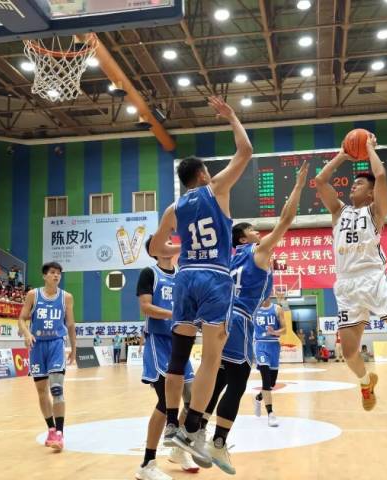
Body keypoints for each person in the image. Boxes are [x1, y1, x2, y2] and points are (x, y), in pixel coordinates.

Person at [149, 96, 252, 467]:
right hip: (214, 278)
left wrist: (177, 250)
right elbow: (245, 151)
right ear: (204, 175)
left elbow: (155, 247)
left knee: (179, 357)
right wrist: (232, 116)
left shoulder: (173, 208)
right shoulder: (216, 188)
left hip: (185, 278)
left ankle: (172, 424)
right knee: (211, 358)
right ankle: (193, 427)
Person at [201, 162, 308, 474]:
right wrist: (298, 186)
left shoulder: (229, 258)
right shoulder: (255, 252)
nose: (258, 233)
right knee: (237, 381)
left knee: (219, 379)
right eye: (252, 230)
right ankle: (218, 442)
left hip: (219, 318)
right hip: (239, 319)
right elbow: (286, 220)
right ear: (243, 239)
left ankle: (196, 430)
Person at [315, 133, 387, 411]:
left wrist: (370, 148)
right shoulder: (339, 211)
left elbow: (381, 175)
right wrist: (342, 154)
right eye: (353, 183)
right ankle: (366, 382)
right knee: (349, 353)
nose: (354, 186)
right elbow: (320, 181)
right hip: (346, 286)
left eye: (360, 184)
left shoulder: (376, 212)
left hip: (373, 280)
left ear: (372, 193)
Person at [135, 237, 198, 480]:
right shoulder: (149, 273)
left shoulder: (182, 274)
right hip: (158, 342)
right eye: (164, 242)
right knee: (165, 401)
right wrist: (175, 314)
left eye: (171, 241)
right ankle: (147, 463)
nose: (170, 244)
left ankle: (177, 449)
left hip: (180, 342)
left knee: (193, 401)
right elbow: (146, 307)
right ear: (155, 250)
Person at [17, 262, 77, 452]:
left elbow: (71, 325)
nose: (56, 275)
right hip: (37, 346)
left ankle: (60, 433)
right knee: (42, 391)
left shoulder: (66, 297)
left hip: (56, 344)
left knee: (57, 389)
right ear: (44, 276)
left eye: (58, 273)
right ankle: (51, 429)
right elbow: (21, 318)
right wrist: (27, 333)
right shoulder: (33, 295)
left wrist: (74, 348)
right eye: (52, 272)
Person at [253, 294, 286, 426]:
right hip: (260, 345)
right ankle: (270, 414)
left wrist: (274, 332)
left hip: (274, 346)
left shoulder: (277, 309)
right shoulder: (254, 309)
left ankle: (258, 397)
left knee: (271, 384)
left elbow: (285, 330)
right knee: (266, 380)